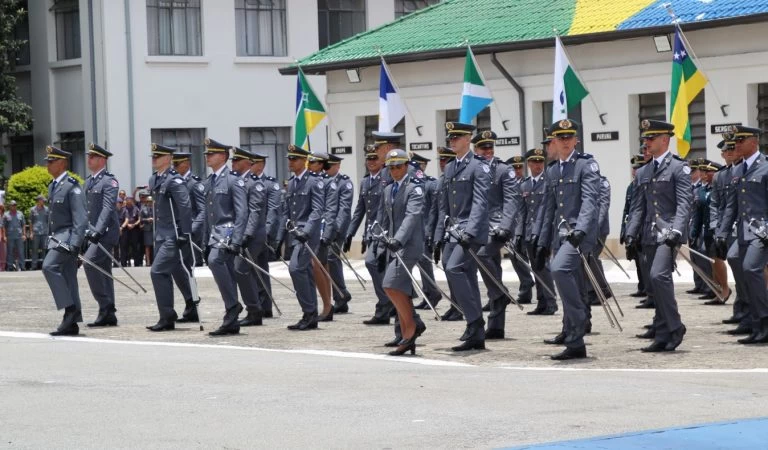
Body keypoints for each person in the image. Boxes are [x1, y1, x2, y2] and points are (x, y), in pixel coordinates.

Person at [535, 119, 600, 360]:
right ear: (553, 141)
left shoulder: (586, 165)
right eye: (559, 138)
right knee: (572, 280)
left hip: (579, 235)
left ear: (576, 140)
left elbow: (590, 200)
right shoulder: (552, 170)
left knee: (559, 269)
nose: (564, 142)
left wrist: (581, 230)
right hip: (559, 236)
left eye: (568, 138)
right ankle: (575, 339)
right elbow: (549, 209)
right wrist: (541, 241)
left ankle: (578, 319)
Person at [625, 119, 692, 352]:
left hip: (669, 233)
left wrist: (677, 231)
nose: (647, 142)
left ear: (665, 139)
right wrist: (631, 234)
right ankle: (663, 332)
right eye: (645, 139)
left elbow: (684, 203)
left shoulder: (678, 168)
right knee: (654, 283)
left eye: (651, 138)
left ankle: (674, 327)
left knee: (659, 275)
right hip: (649, 235)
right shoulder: (644, 171)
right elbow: (638, 207)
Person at [433, 121, 490, 352]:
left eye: (457, 138)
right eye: (450, 138)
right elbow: (443, 207)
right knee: (460, 271)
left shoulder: (479, 166)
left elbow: (480, 202)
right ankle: (475, 328)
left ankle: (475, 321)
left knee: (455, 268)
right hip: (453, 231)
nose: (452, 141)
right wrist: (438, 236)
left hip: (470, 231)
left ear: (468, 139)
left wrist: (471, 231)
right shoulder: (450, 168)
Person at [715, 125, 768, 344]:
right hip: (744, 232)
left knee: (751, 268)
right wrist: (721, 233)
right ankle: (755, 324)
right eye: (736, 141)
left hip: (762, 231)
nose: (736, 145)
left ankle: (764, 321)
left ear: (754, 142)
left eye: (741, 140)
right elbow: (731, 207)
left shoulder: (765, 167)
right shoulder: (737, 170)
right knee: (743, 269)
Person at [377, 149, 426, 356]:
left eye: (398, 166)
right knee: (398, 288)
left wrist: (399, 240)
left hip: (409, 244)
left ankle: (412, 328)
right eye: (391, 167)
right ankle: (411, 330)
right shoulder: (389, 190)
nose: (394, 171)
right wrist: (380, 246)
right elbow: (385, 220)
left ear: (406, 166)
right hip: (393, 245)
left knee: (390, 284)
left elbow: (411, 217)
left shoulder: (414, 189)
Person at [472, 130, 520, 339]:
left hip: (497, 226)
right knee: (494, 270)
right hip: (476, 225)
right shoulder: (472, 168)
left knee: (482, 256)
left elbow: (511, 200)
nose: (488, 151)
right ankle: (496, 326)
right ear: (476, 149)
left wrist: (505, 226)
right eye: (484, 147)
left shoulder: (503, 170)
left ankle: (500, 294)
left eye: (491, 147)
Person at [203, 138, 249, 336]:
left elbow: (242, 212)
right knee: (227, 272)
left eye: (211, 154)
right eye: (207, 154)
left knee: (215, 261)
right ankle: (232, 318)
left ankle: (232, 306)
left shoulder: (233, 180)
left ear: (222, 156)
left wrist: (237, 239)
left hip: (228, 233)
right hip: (215, 234)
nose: (207, 157)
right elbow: (208, 214)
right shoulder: (210, 181)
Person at [146, 143, 193, 332]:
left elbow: (185, 206)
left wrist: (185, 233)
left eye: (158, 156)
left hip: (173, 234)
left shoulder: (175, 180)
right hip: (160, 234)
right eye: (153, 156)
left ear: (167, 159)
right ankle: (168, 315)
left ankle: (167, 314)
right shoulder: (154, 179)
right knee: (166, 273)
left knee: (157, 272)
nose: (154, 159)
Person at [42, 145, 87, 336]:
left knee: (49, 267)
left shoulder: (72, 186)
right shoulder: (53, 185)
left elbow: (80, 218)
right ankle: (72, 322)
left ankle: (69, 311)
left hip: (68, 238)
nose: (48, 165)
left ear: (62, 163)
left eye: (51, 161)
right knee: (69, 278)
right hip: (58, 238)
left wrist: (76, 244)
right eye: (48, 162)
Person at [346, 145, 390, 324]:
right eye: (368, 159)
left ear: (381, 160)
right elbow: (360, 211)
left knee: (374, 264)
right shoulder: (365, 182)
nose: (371, 162)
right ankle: (386, 304)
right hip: (372, 233)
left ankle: (386, 304)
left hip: (386, 232)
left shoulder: (386, 179)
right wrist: (350, 233)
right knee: (375, 266)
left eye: (374, 158)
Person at [284, 145, 325, 330]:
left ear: (304, 161)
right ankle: (310, 315)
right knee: (304, 271)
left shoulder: (314, 181)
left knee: (296, 268)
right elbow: (288, 211)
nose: (291, 162)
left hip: (307, 234)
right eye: (289, 159)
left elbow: (317, 210)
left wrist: (306, 232)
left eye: (294, 159)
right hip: (295, 234)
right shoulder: (292, 182)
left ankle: (309, 311)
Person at [515, 148, 558, 315]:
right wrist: (519, 234)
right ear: (529, 163)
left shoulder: (548, 181)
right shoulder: (524, 184)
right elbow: (522, 211)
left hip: (543, 232)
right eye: (534, 162)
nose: (538, 165)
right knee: (535, 268)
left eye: (540, 162)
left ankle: (551, 301)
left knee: (544, 267)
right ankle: (542, 302)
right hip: (528, 232)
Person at [82, 143, 121, 327]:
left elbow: (107, 208)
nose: (88, 159)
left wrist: (97, 230)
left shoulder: (109, 181)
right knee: (104, 270)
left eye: (92, 157)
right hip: (92, 233)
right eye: (89, 156)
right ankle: (109, 313)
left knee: (89, 263)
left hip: (105, 233)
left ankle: (105, 306)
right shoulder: (88, 181)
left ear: (102, 160)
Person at [229, 146, 267, 327]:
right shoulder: (237, 182)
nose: (233, 163)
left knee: (241, 269)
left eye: (236, 161)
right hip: (239, 234)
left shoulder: (255, 183)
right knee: (241, 271)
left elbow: (254, 212)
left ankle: (254, 309)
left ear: (247, 163)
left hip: (253, 235)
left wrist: (247, 234)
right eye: (233, 161)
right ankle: (254, 309)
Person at [171, 151, 207, 323]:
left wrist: (191, 230)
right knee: (176, 268)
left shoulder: (194, 184)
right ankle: (190, 300)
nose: (174, 168)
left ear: (186, 164)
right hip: (177, 233)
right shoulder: (175, 182)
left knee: (186, 269)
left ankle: (192, 304)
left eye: (177, 165)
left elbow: (202, 210)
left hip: (190, 234)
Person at [249, 152, 281, 318]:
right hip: (250, 233)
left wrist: (267, 232)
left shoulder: (270, 184)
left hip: (263, 233)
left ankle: (264, 305)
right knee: (254, 269)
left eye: (252, 163)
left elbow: (273, 210)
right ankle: (261, 304)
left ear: (260, 165)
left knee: (259, 269)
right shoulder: (247, 182)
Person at [307, 152, 338, 321]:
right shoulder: (310, 181)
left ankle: (327, 305)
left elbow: (330, 210)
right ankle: (326, 304)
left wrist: (325, 233)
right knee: (319, 267)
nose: (309, 165)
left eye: (313, 162)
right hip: (311, 229)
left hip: (322, 229)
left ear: (320, 164)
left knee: (318, 266)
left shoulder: (328, 183)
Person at [409, 152, 442, 311]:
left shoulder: (430, 184)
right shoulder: (410, 184)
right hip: (412, 231)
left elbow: (433, 212)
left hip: (424, 231)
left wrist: (430, 233)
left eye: (417, 165)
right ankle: (427, 293)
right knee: (417, 264)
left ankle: (433, 293)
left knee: (425, 264)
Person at [325, 154, 354, 314]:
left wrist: (335, 229)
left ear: (337, 166)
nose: (326, 169)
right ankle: (339, 296)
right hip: (322, 228)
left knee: (331, 257)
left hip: (337, 228)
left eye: (329, 166)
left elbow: (344, 209)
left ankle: (341, 293)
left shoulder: (344, 183)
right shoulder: (321, 181)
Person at [28, 195, 49, 270]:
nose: (44, 201)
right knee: (34, 249)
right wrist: (31, 232)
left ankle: (45, 266)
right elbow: (30, 222)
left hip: (44, 232)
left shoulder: (47, 209)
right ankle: (34, 266)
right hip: (36, 232)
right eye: (42, 200)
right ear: (39, 200)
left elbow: (49, 221)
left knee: (44, 249)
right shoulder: (33, 210)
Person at [4, 200, 26, 271]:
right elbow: (3, 226)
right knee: (10, 252)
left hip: (19, 236)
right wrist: (4, 236)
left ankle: (22, 266)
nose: (14, 206)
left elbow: (23, 225)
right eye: (12, 205)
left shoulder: (20, 214)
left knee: (21, 251)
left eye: (15, 205)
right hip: (10, 236)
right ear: (10, 206)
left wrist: (24, 234)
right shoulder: (6, 214)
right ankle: (10, 266)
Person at [119, 196, 141, 266]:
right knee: (124, 247)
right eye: (128, 200)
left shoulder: (136, 208)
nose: (129, 201)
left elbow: (139, 219)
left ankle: (137, 263)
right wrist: (127, 224)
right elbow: (122, 219)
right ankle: (124, 263)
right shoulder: (123, 209)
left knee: (135, 247)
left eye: (130, 199)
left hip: (134, 230)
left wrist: (134, 224)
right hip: (125, 230)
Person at [140, 195, 154, 265]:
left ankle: (154, 261)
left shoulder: (156, 209)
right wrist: (147, 219)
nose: (150, 203)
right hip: (147, 229)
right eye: (148, 201)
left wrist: (154, 219)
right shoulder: (143, 209)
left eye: (151, 201)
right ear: (146, 202)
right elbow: (141, 219)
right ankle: (148, 262)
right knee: (147, 246)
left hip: (154, 229)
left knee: (155, 245)